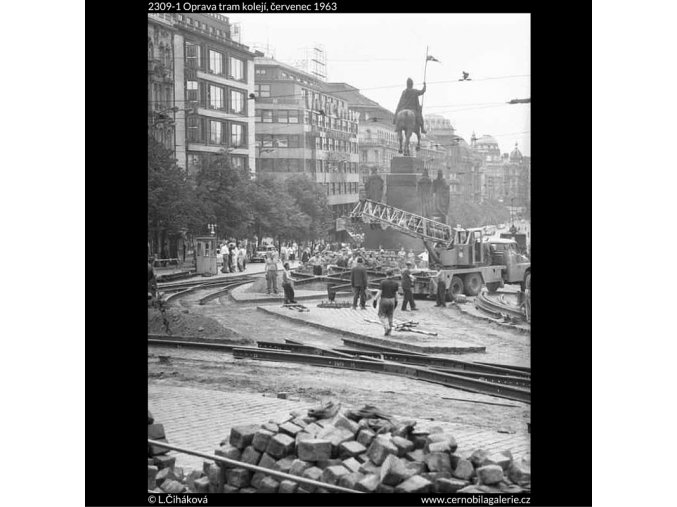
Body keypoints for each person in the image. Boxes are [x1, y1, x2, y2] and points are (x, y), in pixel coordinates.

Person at [377, 270, 400, 335]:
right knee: (390, 315)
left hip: (384, 300)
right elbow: (396, 294)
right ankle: (388, 332)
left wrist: (375, 299)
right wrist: (396, 301)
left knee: (381, 315)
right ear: (392, 275)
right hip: (392, 300)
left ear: (386, 274)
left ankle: (386, 327)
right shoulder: (396, 283)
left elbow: (379, 292)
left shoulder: (383, 282)